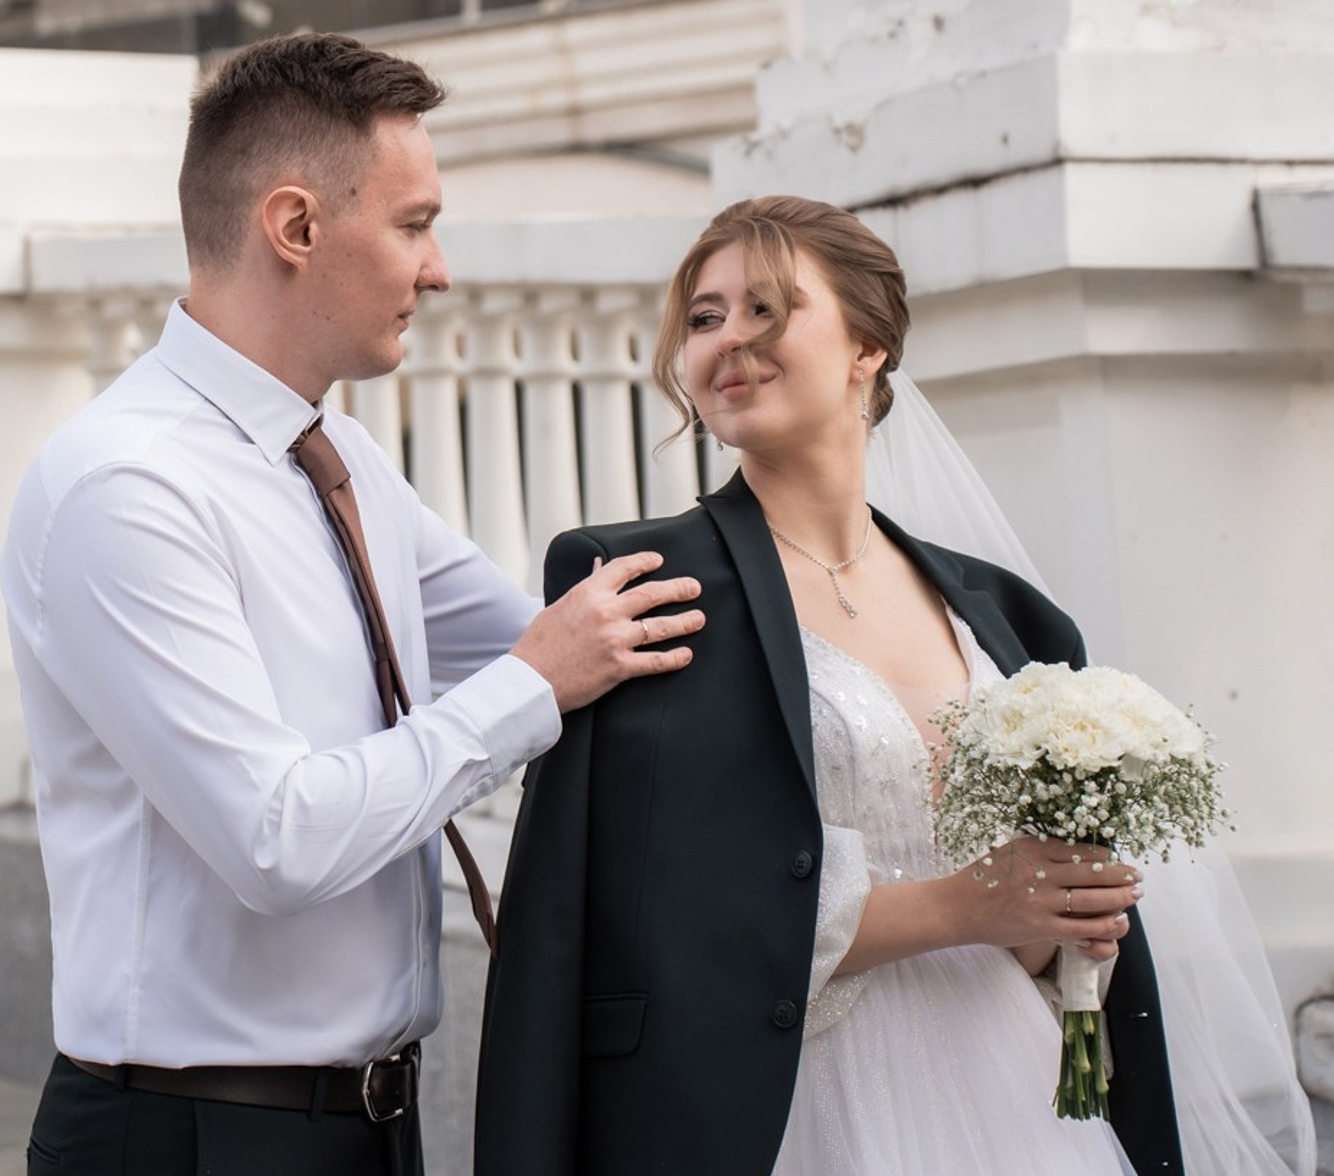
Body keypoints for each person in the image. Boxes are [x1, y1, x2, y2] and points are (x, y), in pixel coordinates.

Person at [474, 194, 1314, 1176]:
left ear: (868, 345)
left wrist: (1060, 920)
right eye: (704, 318)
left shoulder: (1006, 615)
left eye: (766, 309)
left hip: (1017, 1098)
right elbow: (646, 910)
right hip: (773, 1114)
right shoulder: (642, 588)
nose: (727, 342)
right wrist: (963, 907)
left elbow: (1036, 929)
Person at [0, 31, 705, 1176]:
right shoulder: (124, 488)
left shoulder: (342, 462)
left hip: (372, 1127)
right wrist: (535, 683)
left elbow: (543, 628)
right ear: (297, 226)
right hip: (191, 1140)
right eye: (415, 223)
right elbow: (277, 838)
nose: (440, 270)